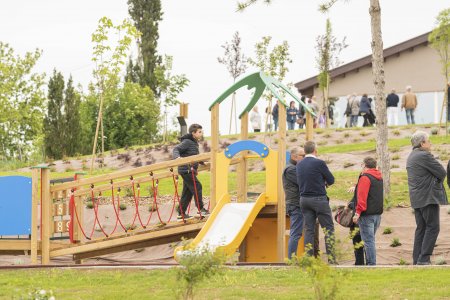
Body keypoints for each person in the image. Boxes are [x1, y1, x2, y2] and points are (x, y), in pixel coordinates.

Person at [406, 131, 447, 265]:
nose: (430, 143)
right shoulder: (424, 155)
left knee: (421, 228)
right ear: (422, 143)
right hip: (428, 197)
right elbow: (442, 172)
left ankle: (417, 259)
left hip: (417, 199)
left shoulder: (412, 155)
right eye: (428, 141)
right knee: (433, 227)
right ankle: (423, 259)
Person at [296, 141, 336, 263]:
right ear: (315, 150)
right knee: (328, 228)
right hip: (319, 199)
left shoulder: (299, 164)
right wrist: (323, 182)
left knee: (309, 230)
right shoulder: (319, 163)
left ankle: (309, 259)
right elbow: (331, 179)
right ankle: (331, 260)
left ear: (305, 151)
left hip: (304, 199)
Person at [173, 123, 210, 220]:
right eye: (199, 132)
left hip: (189, 170)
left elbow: (193, 155)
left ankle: (181, 213)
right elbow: (176, 149)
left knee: (188, 192)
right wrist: (177, 157)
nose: (201, 133)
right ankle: (201, 209)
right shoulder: (188, 142)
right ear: (193, 133)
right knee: (197, 186)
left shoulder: (194, 143)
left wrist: (202, 162)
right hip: (186, 169)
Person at [351, 157, 383, 265]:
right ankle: (370, 264)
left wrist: (357, 213)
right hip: (377, 215)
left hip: (366, 216)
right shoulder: (379, 176)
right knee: (370, 240)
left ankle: (371, 265)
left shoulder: (365, 178)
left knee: (368, 242)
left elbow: (362, 198)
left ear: (365, 165)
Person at [282, 147, 305, 259]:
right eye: (303, 155)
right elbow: (303, 181)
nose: (305, 157)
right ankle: (291, 260)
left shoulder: (294, 168)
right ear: (294, 156)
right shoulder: (291, 169)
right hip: (295, 204)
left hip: (296, 203)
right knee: (295, 233)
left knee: (297, 232)